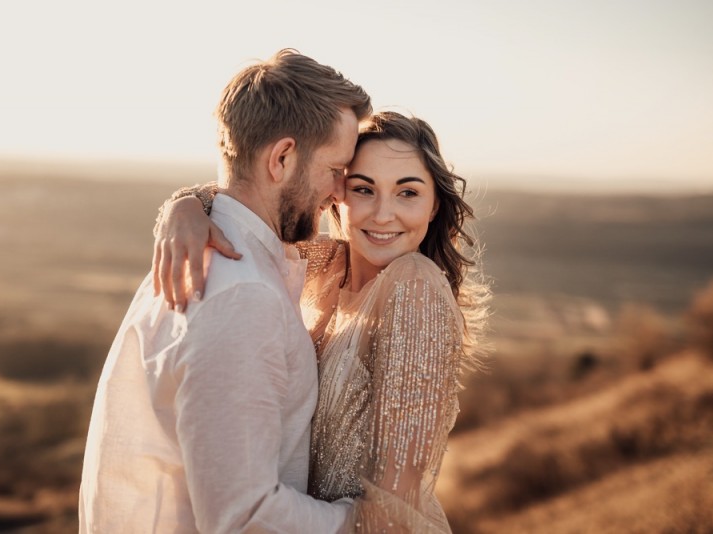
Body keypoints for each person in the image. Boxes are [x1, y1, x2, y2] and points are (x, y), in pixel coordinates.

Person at [78, 48, 372, 533]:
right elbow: (244, 516)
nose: (340, 192)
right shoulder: (243, 295)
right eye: (335, 170)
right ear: (281, 158)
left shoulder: (208, 248)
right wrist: (368, 523)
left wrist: (188, 201)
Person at [155, 111, 490, 532]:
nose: (383, 214)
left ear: (434, 203)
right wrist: (184, 207)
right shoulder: (324, 262)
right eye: (364, 189)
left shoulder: (415, 286)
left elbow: (397, 498)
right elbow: (250, 204)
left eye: (407, 193)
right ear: (337, 193)